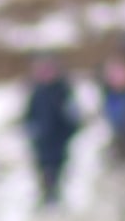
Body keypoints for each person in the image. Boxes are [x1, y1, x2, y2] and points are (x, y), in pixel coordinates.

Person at [21, 54, 81, 209]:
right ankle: (47, 195)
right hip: (41, 143)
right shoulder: (36, 92)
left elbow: (73, 117)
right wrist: (31, 129)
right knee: (43, 169)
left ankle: (57, 196)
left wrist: (67, 133)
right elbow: (28, 115)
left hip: (59, 141)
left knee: (58, 169)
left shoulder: (63, 91)